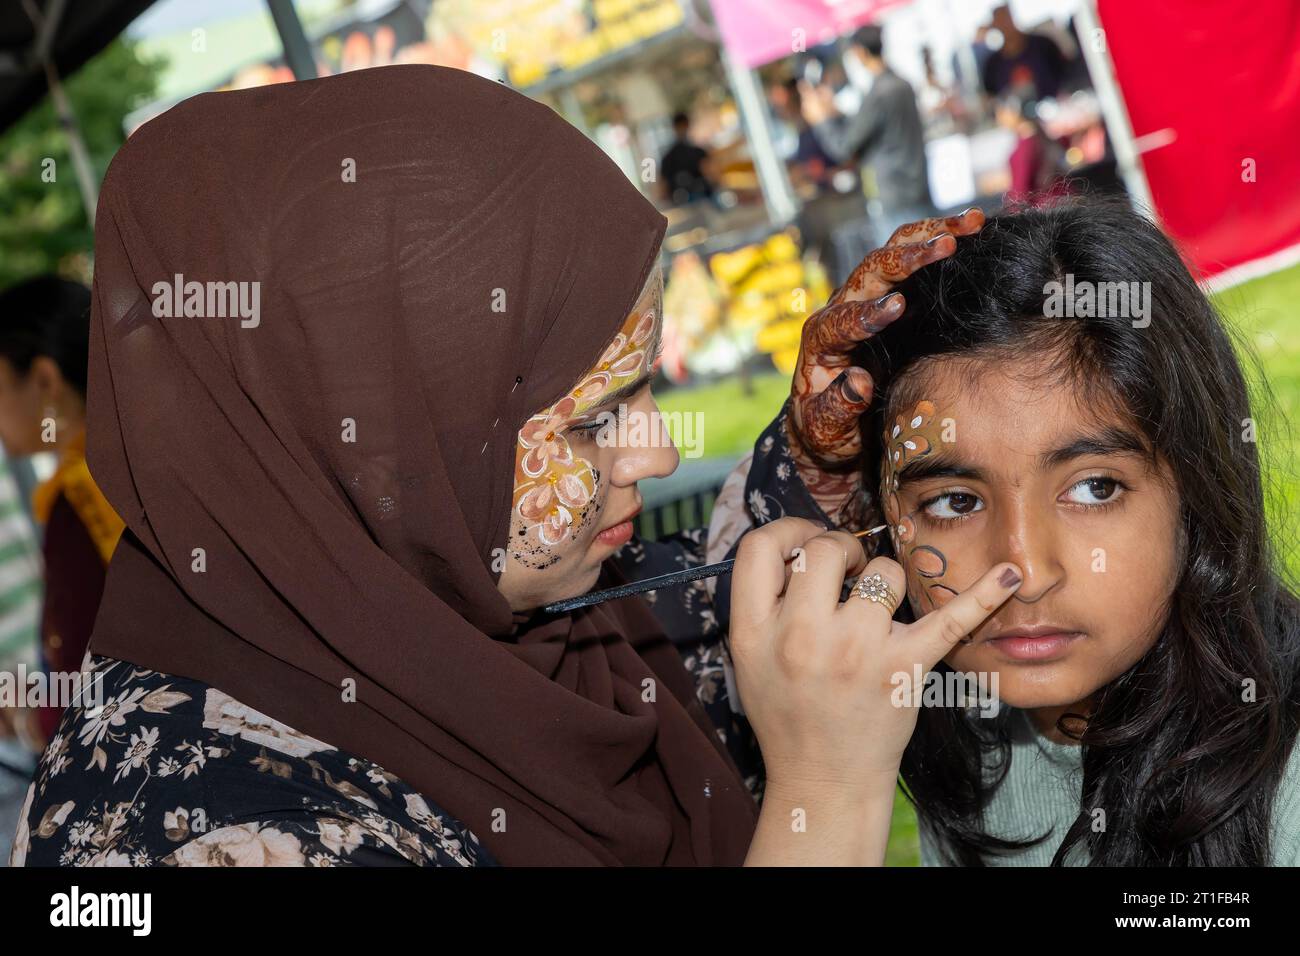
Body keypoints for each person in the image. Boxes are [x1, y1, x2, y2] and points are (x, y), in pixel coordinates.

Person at [10, 64, 980, 866]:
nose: (659, 446)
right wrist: (826, 788)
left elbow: (697, 646)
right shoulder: (192, 833)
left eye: (644, 389)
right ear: (388, 451)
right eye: (599, 413)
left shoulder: (493, 617)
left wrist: (811, 462)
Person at [723, 197, 1300, 865]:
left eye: (1094, 489)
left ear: (1197, 496)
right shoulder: (965, 737)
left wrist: (826, 791)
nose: (1023, 570)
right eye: (956, 502)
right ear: (879, 519)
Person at [0, 276, 124, 748]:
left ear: (45, 379)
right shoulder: (134, 458)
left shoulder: (80, 500)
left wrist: (30, 720)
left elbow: (85, 682)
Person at [800, 25, 936, 246]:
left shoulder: (879, 94)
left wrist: (822, 120)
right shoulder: (902, 85)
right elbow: (870, 130)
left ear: (859, 51)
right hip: (918, 188)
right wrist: (835, 115)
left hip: (892, 196)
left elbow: (843, 147)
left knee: (905, 269)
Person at [980, 5, 1068, 99]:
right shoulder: (993, 64)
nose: (1004, 25)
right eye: (1000, 21)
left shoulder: (1043, 45)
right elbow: (991, 97)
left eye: (1006, 18)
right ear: (994, 25)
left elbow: (1066, 74)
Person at [659, 111, 715, 207]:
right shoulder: (698, 152)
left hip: (687, 202)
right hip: (698, 200)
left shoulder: (668, 157)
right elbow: (711, 175)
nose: (683, 129)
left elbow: (663, 189)